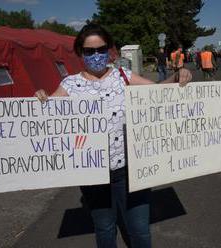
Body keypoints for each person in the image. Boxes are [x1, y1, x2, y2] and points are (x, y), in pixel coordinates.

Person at [35, 23, 192, 248]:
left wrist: (177, 77)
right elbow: (48, 115)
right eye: (89, 51)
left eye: (101, 49)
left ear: (109, 49)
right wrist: (39, 99)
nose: (96, 55)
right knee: (105, 228)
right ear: (80, 52)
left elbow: (158, 92)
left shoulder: (123, 75)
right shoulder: (70, 84)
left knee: (139, 229)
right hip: (92, 173)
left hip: (131, 168)